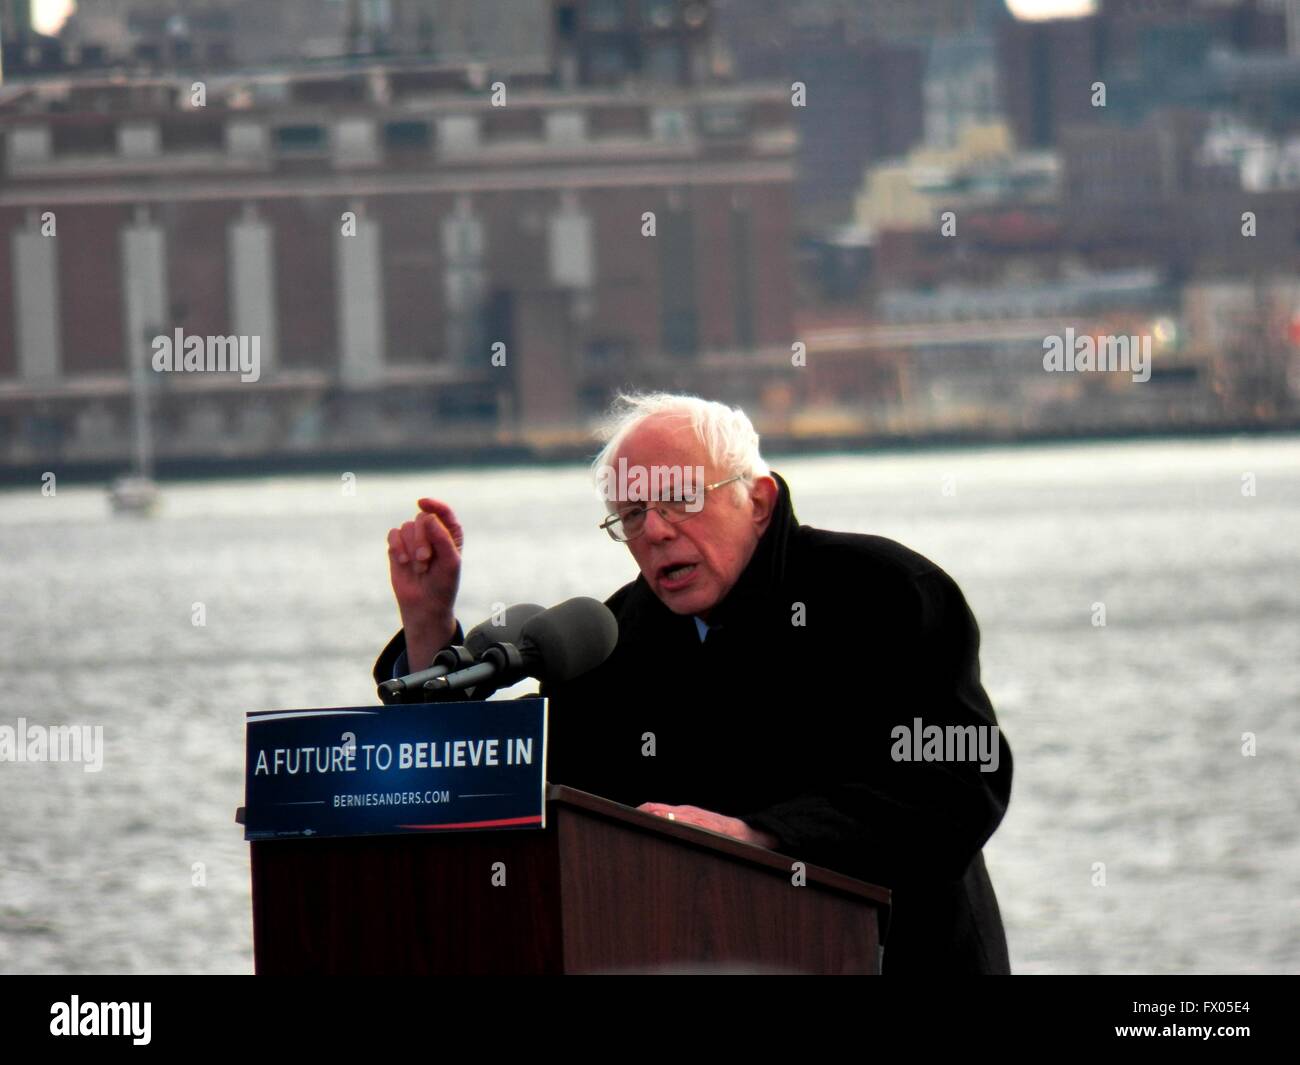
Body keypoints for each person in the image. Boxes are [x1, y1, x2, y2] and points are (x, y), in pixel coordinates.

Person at [374, 392, 1013, 974]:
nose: (653, 530)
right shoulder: (611, 636)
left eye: (680, 497)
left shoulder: (885, 594)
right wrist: (430, 629)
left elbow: (959, 787)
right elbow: (522, 796)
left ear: (757, 501)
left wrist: (760, 838)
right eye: (630, 513)